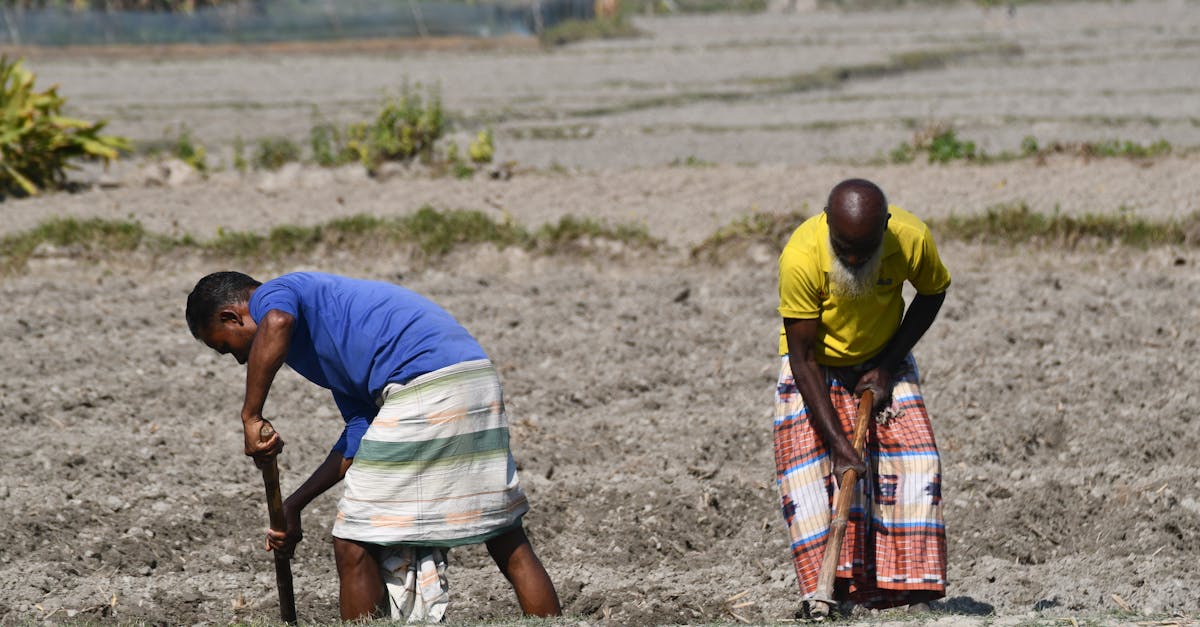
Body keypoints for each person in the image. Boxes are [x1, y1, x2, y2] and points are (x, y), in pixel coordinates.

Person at [185, 271, 561, 622]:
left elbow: (277, 323)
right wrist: (294, 505)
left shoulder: (278, 293)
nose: (238, 359)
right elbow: (359, 435)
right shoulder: (330, 342)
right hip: (474, 382)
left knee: (355, 541)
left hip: (424, 385)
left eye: (225, 347)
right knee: (505, 535)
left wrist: (251, 415)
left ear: (233, 316)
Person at [774, 179, 950, 613]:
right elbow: (803, 356)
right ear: (827, 222)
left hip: (884, 353)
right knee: (808, 482)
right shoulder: (801, 256)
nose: (853, 259)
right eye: (844, 248)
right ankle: (825, 595)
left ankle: (914, 595)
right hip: (817, 364)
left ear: (885, 229)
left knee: (918, 463)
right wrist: (837, 444)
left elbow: (932, 293)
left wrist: (887, 365)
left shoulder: (911, 239)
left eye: (865, 250)